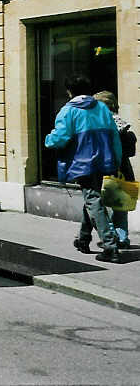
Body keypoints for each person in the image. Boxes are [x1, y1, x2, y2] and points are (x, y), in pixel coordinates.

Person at [45, 75, 122, 263]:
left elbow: (60, 138)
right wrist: (117, 159)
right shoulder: (102, 107)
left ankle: (110, 246)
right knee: (92, 198)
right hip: (105, 160)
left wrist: (48, 140)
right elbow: (114, 136)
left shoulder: (68, 111)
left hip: (82, 162)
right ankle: (83, 239)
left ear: (69, 91)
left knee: (93, 199)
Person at [94, 90, 135, 249]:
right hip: (125, 169)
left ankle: (110, 235)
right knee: (120, 209)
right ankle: (122, 238)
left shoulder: (103, 123)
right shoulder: (123, 123)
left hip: (107, 169)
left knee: (98, 209)